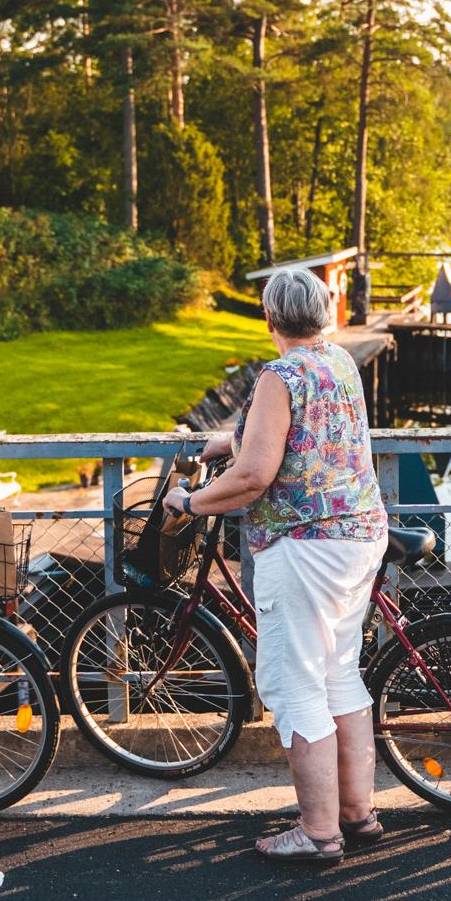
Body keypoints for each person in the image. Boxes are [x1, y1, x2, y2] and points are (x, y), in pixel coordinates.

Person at [163, 267, 388, 865]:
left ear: (270, 320)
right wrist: (229, 441)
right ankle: (357, 813)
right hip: (360, 535)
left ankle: (318, 834)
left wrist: (190, 501)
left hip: (305, 545)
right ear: (324, 312)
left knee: (294, 685)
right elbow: (300, 440)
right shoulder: (338, 363)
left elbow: (257, 475)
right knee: (340, 673)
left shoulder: (278, 375)